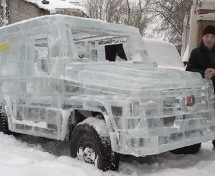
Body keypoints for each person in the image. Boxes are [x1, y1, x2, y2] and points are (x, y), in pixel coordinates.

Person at [186, 25, 215, 148]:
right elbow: (188, 70)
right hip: (201, 93)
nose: (209, 39)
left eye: (212, 36)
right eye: (206, 36)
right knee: (200, 117)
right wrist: (203, 73)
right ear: (202, 37)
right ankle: (194, 143)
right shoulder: (196, 52)